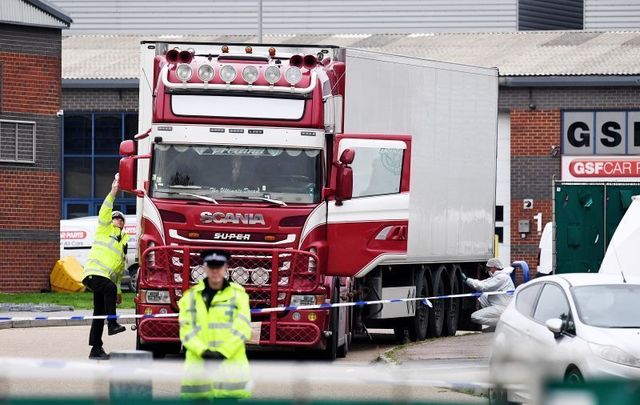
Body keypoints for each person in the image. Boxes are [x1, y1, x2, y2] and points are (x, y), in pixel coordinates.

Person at [178, 249, 252, 400]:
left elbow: (242, 328)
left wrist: (222, 353)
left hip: (230, 379)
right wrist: (203, 352)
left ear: (226, 268)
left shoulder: (239, 295)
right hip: (198, 379)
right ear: (204, 268)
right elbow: (186, 331)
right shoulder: (189, 297)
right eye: (211, 266)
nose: (215, 270)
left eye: (219, 266)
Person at [82, 174, 129, 360]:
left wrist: (118, 292)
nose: (118, 220)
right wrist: (113, 192)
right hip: (93, 274)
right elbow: (105, 210)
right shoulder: (104, 228)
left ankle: (96, 349)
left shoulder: (122, 244)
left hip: (105, 279)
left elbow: (116, 273)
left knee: (98, 313)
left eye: (121, 219)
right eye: (115, 218)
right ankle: (112, 324)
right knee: (107, 289)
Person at [462, 258, 515, 330]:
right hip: (501, 304)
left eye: (489, 268)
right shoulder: (499, 276)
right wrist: (468, 279)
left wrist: (466, 280)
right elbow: (483, 282)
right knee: (483, 296)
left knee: (475, 317)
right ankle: (498, 323)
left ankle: (501, 323)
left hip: (502, 307)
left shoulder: (501, 278)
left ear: (494, 267)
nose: (487, 271)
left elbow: (483, 286)